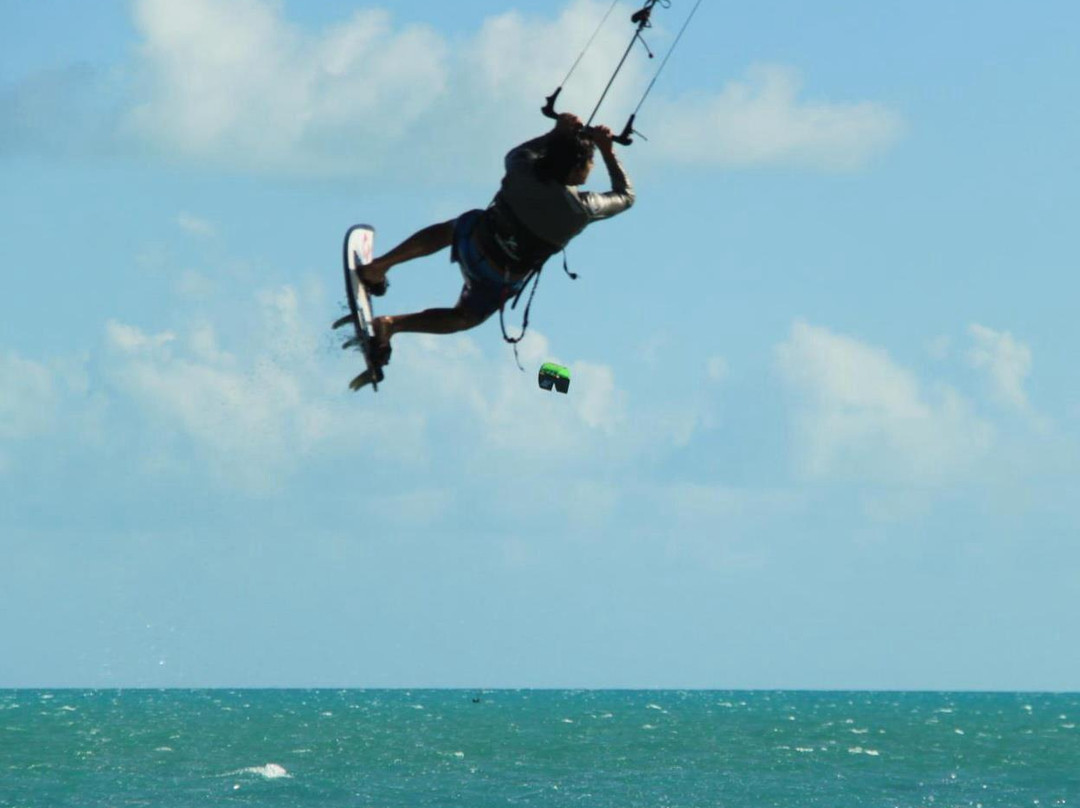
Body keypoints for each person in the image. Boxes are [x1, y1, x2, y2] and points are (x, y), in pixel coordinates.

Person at [359, 112, 635, 367]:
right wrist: (609, 152)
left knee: (454, 228)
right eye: (592, 161)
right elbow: (625, 196)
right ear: (577, 171)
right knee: (465, 317)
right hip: (497, 278)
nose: (592, 165)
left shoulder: (521, 167)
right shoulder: (583, 209)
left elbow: (522, 152)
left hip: (474, 242)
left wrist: (557, 132)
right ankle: (391, 325)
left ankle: (378, 267)